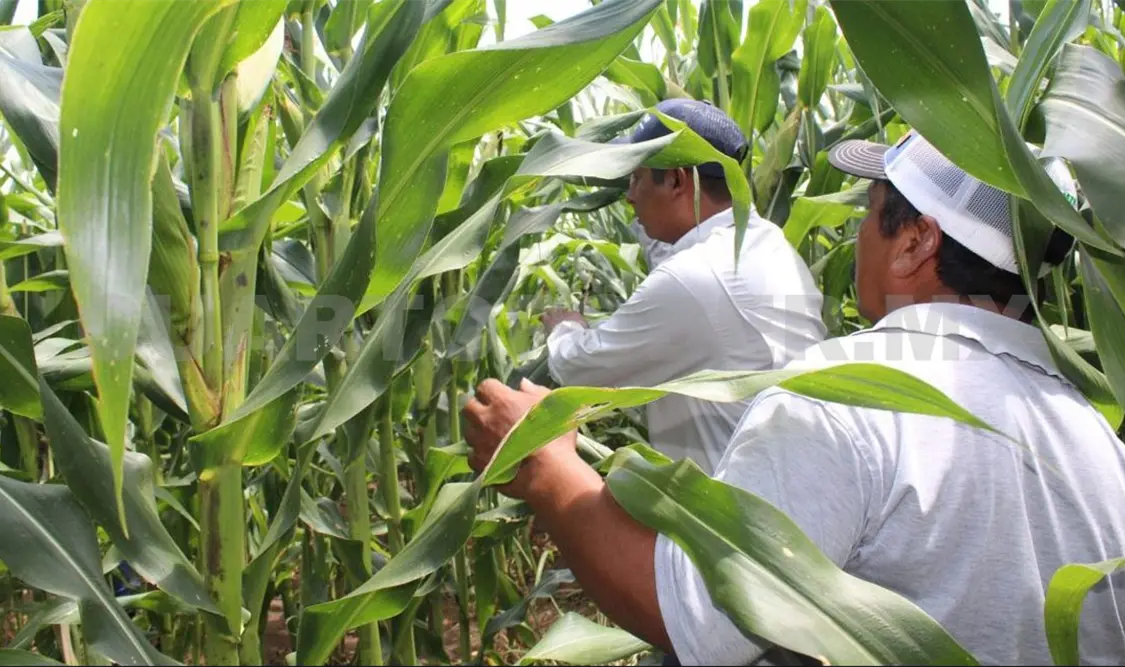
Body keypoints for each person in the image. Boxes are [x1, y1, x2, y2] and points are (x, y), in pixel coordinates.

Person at [462, 129, 1125, 665]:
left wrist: (545, 465)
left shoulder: (846, 397)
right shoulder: (1094, 434)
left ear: (915, 242)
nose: (853, 236)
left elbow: (695, 618)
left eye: (868, 215)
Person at [542, 98, 827, 474]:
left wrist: (565, 328)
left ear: (677, 181)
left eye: (636, 178)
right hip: (786, 488)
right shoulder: (764, 244)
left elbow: (580, 370)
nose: (628, 196)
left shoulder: (694, 278)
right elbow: (666, 249)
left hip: (724, 515)